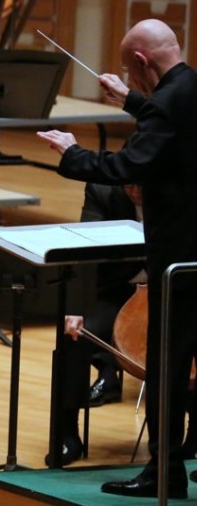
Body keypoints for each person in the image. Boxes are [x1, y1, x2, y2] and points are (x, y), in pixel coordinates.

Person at [38, 18, 197, 497]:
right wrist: (130, 100)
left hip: (176, 258)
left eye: (131, 71)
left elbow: (129, 164)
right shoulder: (190, 87)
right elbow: (169, 118)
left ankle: (164, 473)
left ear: (143, 61)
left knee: (167, 368)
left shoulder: (165, 105)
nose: (131, 78)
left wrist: (72, 152)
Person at [53, 183, 144, 465]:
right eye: (129, 184)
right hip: (117, 290)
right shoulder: (103, 190)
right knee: (74, 335)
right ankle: (67, 434)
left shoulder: (177, 187)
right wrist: (75, 308)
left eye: (142, 184)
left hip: (169, 290)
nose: (135, 191)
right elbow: (83, 249)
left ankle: (190, 439)